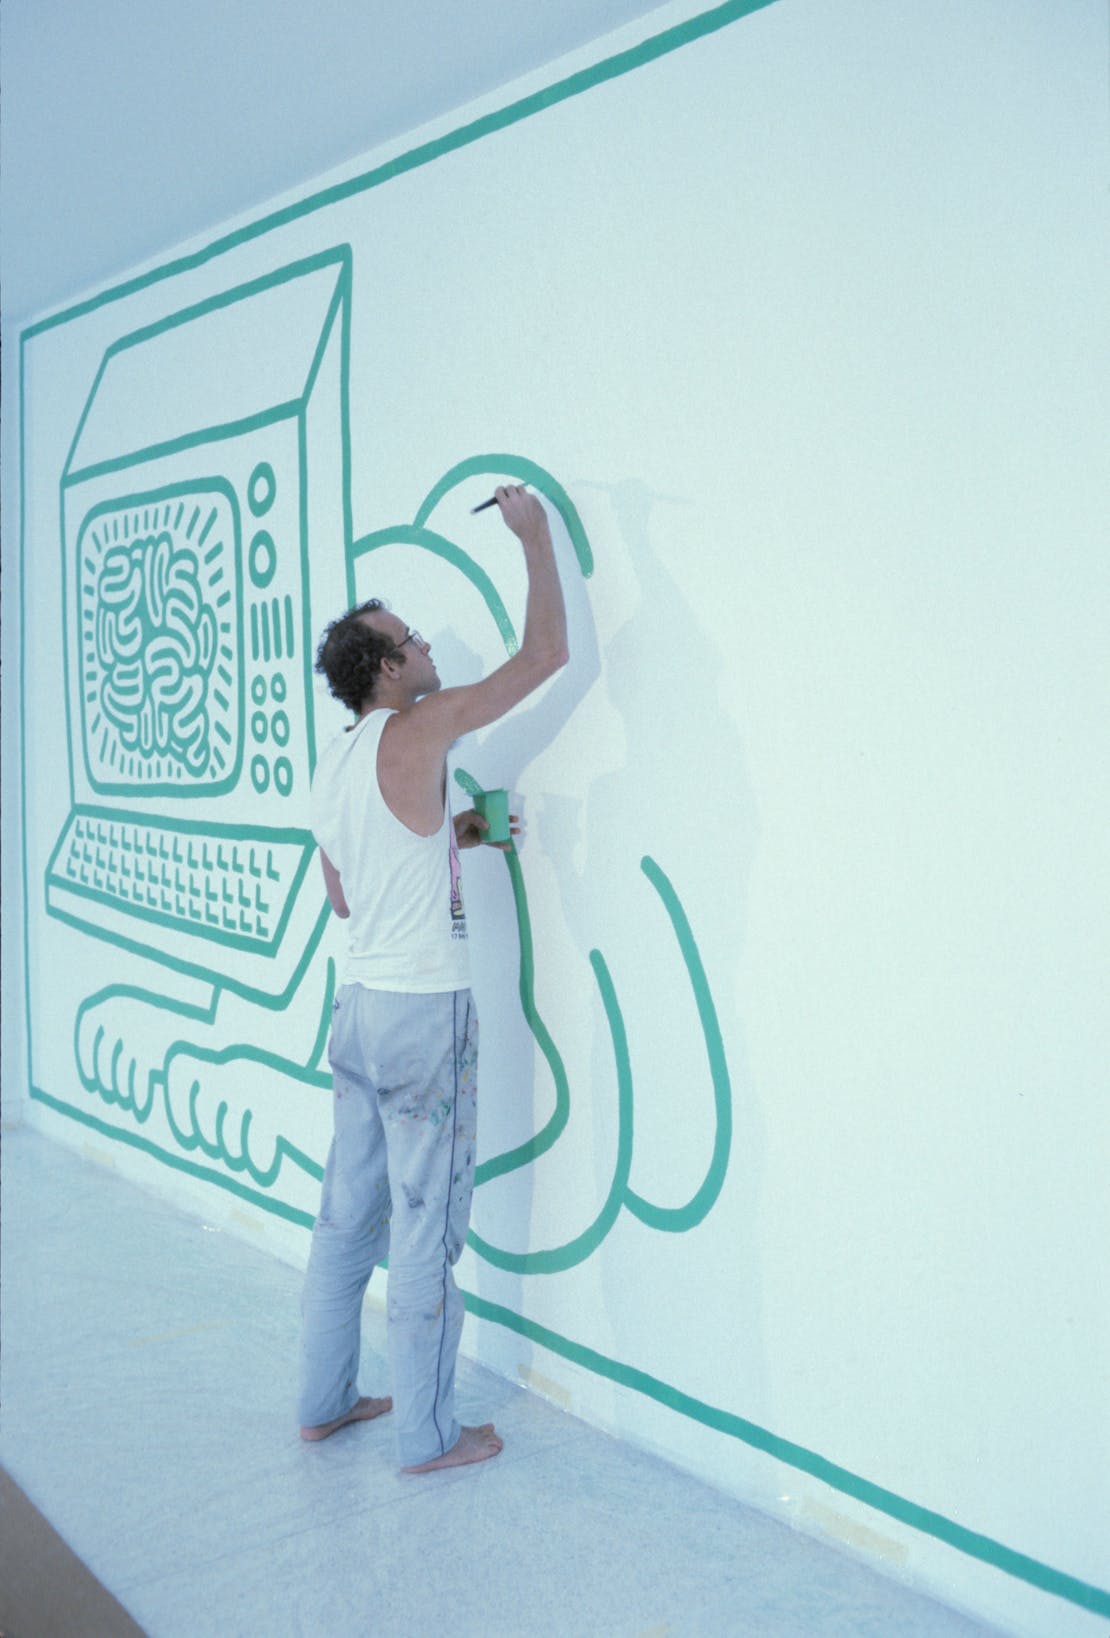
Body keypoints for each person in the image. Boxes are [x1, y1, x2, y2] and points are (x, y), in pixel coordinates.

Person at [298, 485, 568, 1473]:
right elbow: (545, 657)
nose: (422, 646)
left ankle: (323, 1404)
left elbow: (347, 894)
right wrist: (533, 536)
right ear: (385, 667)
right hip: (422, 1018)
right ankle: (426, 1435)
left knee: (346, 1219)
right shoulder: (421, 728)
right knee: (424, 1228)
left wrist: (458, 834)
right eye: (409, 639)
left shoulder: (336, 766)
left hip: (359, 1013)